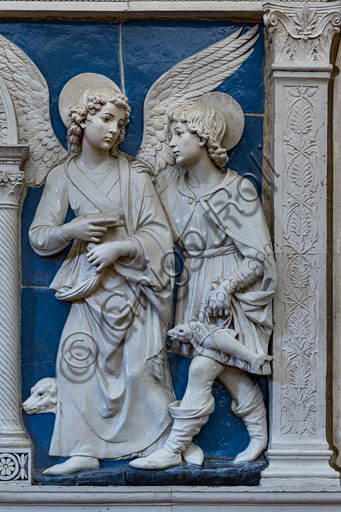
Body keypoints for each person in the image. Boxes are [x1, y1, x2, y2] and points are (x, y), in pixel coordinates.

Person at [29, 82, 177, 475]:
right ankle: (82, 448)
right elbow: (40, 235)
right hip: (90, 287)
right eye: (106, 119)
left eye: (122, 124)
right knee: (74, 363)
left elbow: (160, 234)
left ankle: (168, 441)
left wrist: (121, 247)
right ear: (82, 120)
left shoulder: (135, 176)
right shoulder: (62, 176)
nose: (115, 130)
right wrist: (69, 230)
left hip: (134, 288)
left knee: (138, 370)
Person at [130, 101, 276, 470]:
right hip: (193, 284)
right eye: (169, 136)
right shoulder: (169, 188)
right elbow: (154, 235)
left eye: (180, 134)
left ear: (204, 137)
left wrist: (226, 287)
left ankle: (175, 446)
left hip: (232, 291)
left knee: (202, 367)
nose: (171, 144)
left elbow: (258, 256)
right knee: (224, 367)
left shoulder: (235, 191)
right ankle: (259, 434)